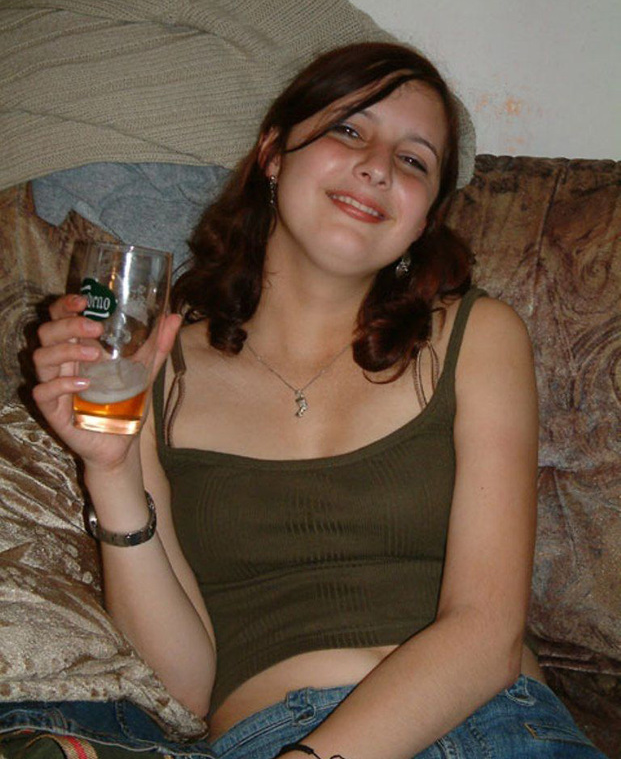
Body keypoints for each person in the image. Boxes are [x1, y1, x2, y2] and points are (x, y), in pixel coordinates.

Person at [31, 42, 606, 759]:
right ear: (273, 154)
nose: (378, 166)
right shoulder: (153, 364)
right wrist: (111, 471)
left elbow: (486, 633)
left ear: (425, 217)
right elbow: (183, 688)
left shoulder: (476, 336)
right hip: (271, 733)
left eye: (413, 160)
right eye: (349, 129)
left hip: (498, 726)